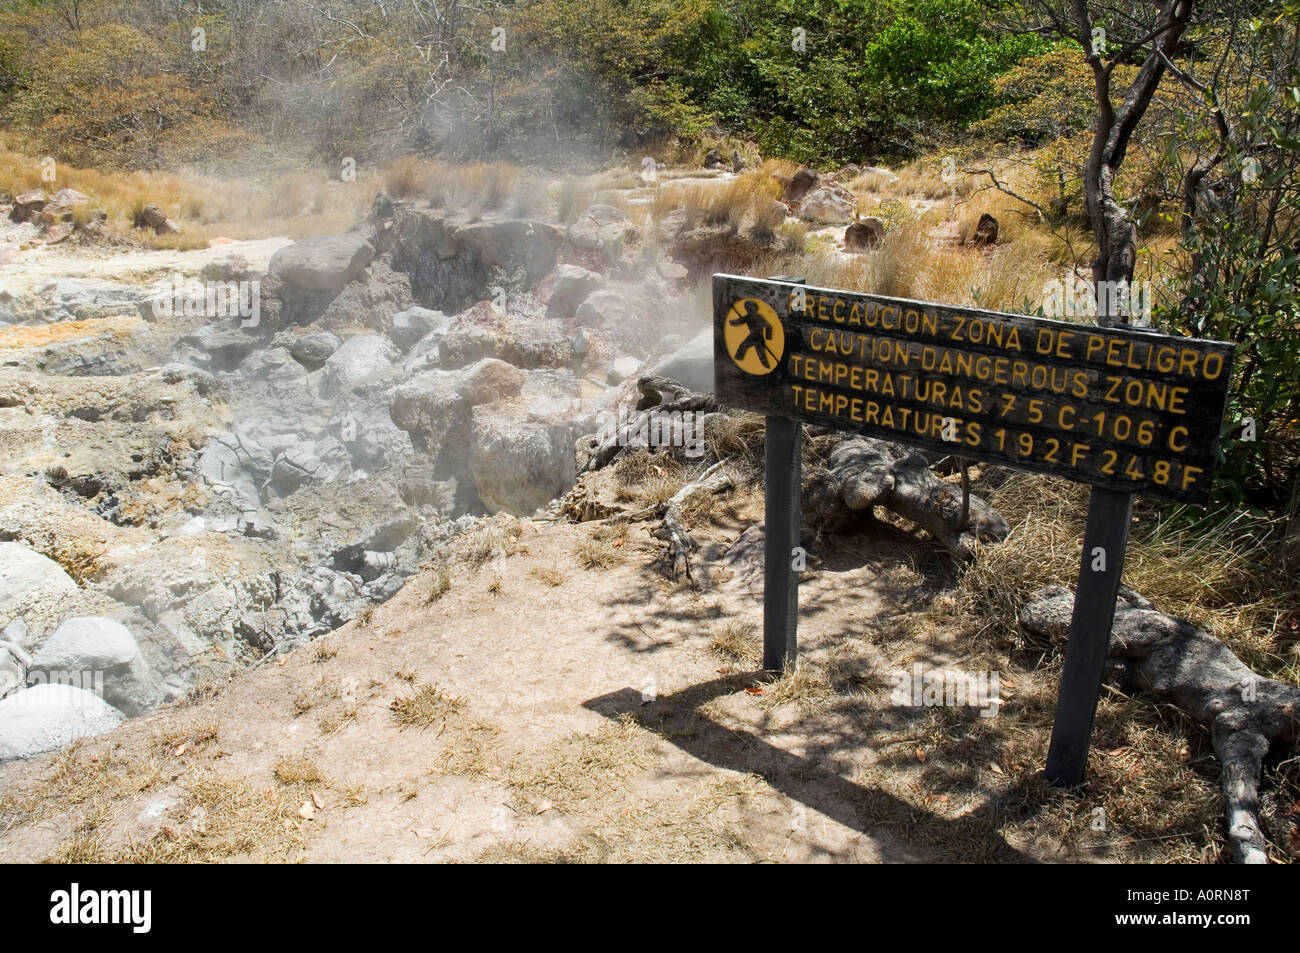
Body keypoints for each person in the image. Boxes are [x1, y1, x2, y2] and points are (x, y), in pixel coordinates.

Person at [729, 301, 776, 368]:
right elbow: (769, 326)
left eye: (748, 309)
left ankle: (737, 362)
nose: (748, 310)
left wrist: (731, 322)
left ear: (750, 309)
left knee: (743, 347)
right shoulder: (759, 316)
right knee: (761, 355)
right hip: (759, 338)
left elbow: (738, 322)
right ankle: (766, 366)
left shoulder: (749, 316)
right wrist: (768, 337)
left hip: (753, 337)